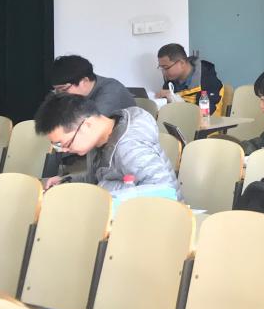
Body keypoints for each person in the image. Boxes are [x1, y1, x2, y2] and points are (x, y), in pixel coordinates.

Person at [34, 92, 181, 197]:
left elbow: (165, 191)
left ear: (87, 125)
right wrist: (66, 181)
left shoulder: (128, 147)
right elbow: (99, 177)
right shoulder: (102, 139)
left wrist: (102, 196)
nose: (65, 150)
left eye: (66, 143)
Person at [49, 55, 135, 116]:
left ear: (85, 81)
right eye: (56, 90)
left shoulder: (111, 90)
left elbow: (90, 124)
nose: (60, 94)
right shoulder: (73, 95)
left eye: (64, 89)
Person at [157, 43, 223, 110]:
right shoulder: (170, 81)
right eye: (161, 68)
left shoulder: (207, 79)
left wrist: (176, 101)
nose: (163, 72)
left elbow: (205, 112)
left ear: (182, 63)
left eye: (166, 67)